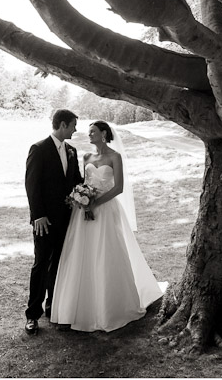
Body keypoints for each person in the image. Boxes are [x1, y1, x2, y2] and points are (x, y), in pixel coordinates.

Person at [50, 121, 162, 332]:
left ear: (103, 134)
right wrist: (82, 199)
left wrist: (95, 203)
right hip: (83, 211)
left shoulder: (114, 157)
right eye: (89, 131)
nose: (89, 134)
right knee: (82, 253)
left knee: (107, 252)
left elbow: (118, 187)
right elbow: (85, 182)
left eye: (93, 131)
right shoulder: (86, 157)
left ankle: (111, 306)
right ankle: (80, 305)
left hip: (106, 209)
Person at [24, 109, 83, 336]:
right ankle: (32, 315)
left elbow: (76, 180)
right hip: (45, 221)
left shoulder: (72, 151)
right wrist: (38, 215)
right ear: (62, 125)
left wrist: (88, 193)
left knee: (58, 264)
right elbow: (32, 185)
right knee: (41, 265)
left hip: (67, 220)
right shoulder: (38, 149)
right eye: (73, 125)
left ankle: (53, 306)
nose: (75, 130)